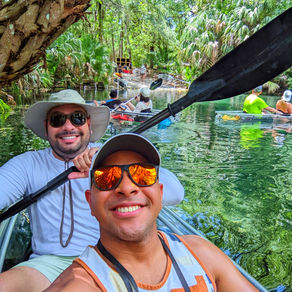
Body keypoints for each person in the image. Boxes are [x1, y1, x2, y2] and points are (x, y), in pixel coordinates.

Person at [0, 90, 184, 292]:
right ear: (47, 127)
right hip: (47, 265)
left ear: (88, 123)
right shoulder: (28, 164)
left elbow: (175, 193)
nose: (68, 126)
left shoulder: (109, 157)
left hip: (110, 258)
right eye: (57, 119)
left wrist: (110, 166)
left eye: (77, 118)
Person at [44, 133, 259, 292]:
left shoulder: (202, 254)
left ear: (160, 193)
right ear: (90, 202)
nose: (127, 188)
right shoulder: (80, 284)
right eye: (107, 177)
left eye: (142, 174)